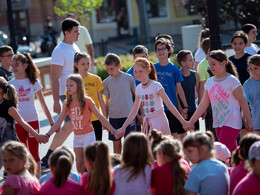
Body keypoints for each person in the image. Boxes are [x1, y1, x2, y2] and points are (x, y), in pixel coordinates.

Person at [46, 74, 115, 174]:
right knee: (79, 163)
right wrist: (47, 135)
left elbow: (100, 117)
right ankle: (82, 183)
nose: (68, 88)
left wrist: (113, 130)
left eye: (71, 85)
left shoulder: (87, 101)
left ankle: (92, 182)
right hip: (77, 136)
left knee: (90, 162)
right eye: (67, 85)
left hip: (88, 135)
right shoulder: (67, 103)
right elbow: (58, 122)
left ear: (78, 86)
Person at [188, 50, 253, 152]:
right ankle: (239, 167)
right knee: (230, 154)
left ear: (223, 63)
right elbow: (203, 104)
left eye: (214, 64)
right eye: (210, 64)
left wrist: (249, 121)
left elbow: (243, 102)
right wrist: (191, 122)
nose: (211, 67)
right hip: (218, 122)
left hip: (232, 122)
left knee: (220, 152)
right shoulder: (209, 82)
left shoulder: (232, 80)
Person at [114, 58, 189, 139]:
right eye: (135, 72)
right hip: (148, 123)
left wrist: (183, 121)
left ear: (148, 70)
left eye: (140, 71)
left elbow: (170, 105)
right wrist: (123, 127)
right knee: (150, 149)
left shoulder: (156, 86)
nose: (137, 74)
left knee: (161, 147)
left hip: (160, 121)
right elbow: (134, 110)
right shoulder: (139, 88)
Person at [41, 17, 80, 168]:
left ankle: (51, 156)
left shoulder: (75, 47)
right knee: (70, 125)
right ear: (67, 32)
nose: (78, 34)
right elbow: (54, 77)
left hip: (78, 92)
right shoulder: (59, 51)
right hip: (66, 93)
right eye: (75, 31)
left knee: (74, 125)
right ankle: (48, 156)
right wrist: (56, 100)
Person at [9, 53, 53, 178]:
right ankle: (25, 180)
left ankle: (36, 181)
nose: (14, 68)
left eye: (16, 65)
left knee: (34, 153)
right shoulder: (10, 85)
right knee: (22, 153)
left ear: (25, 66)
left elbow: (43, 105)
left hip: (33, 121)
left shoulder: (33, 82)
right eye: (12, 65)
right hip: (17, 123)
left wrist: (51, 122)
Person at [0, 77, 48, 168]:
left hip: (10, 145)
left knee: (17, 169)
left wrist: (37, 135)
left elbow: (22, 122)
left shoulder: (8, 106)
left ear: (1, 90)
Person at [154, 38, 189, 139]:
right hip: (157, 108)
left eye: (163, 49)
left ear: (169, 50)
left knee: (174, 135)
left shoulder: (174, 69)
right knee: (159, 136)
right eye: (158, 49)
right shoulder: (152, 68)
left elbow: (179, 89)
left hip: (171, 108)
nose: (160, 51)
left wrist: (185, 106)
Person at [103, 53, 136, 154]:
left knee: (130, 144)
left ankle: (130, 166)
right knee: (116, 144)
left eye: (112, 69)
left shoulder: (129, 78)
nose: (109, 72)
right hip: (114, 117)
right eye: (107, 69)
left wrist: (139, 115)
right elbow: (106, 102)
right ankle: (117, 166)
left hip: (128, 116)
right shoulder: (106, 82)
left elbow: (136, 97)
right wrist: (105, 120)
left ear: (119, 66)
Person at [74, 52, 106, 140]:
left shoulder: (96, 79)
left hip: (96, 118)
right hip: (82, 121)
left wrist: (104, 118)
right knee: (87, 147)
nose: (86, 66)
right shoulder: (73, 81)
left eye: (88, 63)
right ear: (76, 65)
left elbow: (101, 100)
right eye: (83, 64)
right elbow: (71, 103)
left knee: (98, 145)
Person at [177, 50, 200, 140]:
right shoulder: (177, 75)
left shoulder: (195, 74)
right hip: (181, 111)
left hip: (193, 110)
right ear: (183, 63)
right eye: (190, 60)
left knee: (196, 137)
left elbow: (197, 91)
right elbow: (176, 94)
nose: (193, 61)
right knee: (182, 136)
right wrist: (181, 110)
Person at [126, 45, 148, 131]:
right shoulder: (129, 74)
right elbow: (130, 98)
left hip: (152, 111)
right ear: (133, 58)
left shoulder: (152, 70)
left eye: (143, 57)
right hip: (136, 115)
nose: (140, 61)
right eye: (137, 58)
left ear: (147, 56)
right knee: (138, 142)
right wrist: (138, 116)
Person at [243, 55, 260, 132]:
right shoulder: (247, 84)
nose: (253, 71)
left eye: (256, 68)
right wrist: (244, 119)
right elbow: (244, 103)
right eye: (251, 69)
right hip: (256, 123)